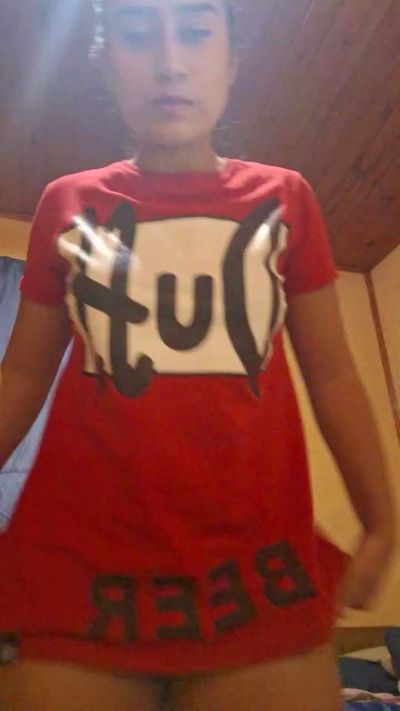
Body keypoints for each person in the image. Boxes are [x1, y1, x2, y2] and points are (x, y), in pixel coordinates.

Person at [0, 1, 395, 709]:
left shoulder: (287, 198)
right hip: (81, 567)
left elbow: (333, 373)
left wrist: (382, 515)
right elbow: (22, 376)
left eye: (195, 32)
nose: (169, 63)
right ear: (107, 66)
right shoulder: (66, 203)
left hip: (256, 567)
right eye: (137, 36)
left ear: (232, 62)